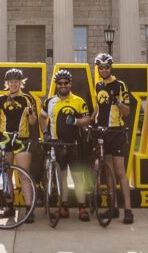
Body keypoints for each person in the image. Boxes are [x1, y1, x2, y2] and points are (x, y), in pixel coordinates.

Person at [40, 69, 92, 221]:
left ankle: (82, 207)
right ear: (56, 85)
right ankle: (64, 206)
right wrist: (45, 132)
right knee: (61, 177)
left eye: (66, 83)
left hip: (73, 144)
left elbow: (87, 119)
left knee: (77, 177)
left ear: (70, 84)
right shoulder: (49, 102)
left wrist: (75, 121)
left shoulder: (78, 101)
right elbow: (42, 117)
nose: (63, 85)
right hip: (57, 144)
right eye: (60, 83)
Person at [93, 53, 134, 225]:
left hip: (116, 132)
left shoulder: (120, 85)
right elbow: (98, 109)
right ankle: (114, 208)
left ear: (111, 68)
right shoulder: (98, 85)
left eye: (106, 67)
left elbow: (127, 112)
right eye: (101, 68)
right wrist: (88, 120)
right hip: (103, 132)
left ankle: (128, 210)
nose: (104, 70)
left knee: (120, 172)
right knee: (107, 173)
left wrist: (117, 102)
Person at [0, 68, 38, 224]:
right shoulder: (0, 100)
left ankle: (29, 209)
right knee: (7, 175)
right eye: (11, 82)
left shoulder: (27, 99)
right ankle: (10, 207)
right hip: (5, 139)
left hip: (22, 140)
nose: (14, 84)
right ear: (7, 83)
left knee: (24, 175)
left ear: (21, 83)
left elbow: (33, 122)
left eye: (16, 82)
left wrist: (31, 113)